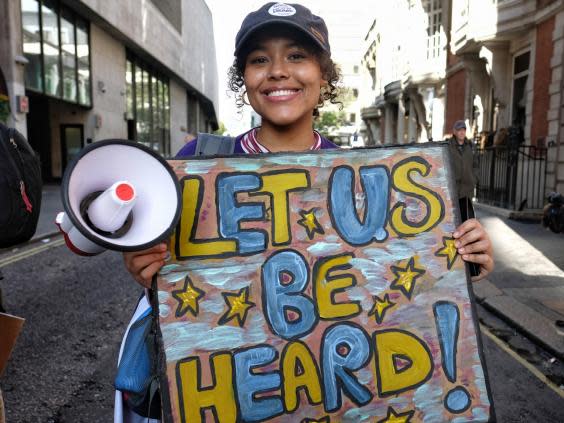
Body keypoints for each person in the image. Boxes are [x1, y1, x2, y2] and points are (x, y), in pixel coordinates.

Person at [117, 3, 494, 421]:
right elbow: (173, 281)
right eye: (259, 59)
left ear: (324, 75)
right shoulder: (197, 163)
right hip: (236, 394)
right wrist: (146, 269)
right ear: (244, 79)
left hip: (328, 390)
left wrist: (464, 258)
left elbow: (396, 285)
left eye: (297, 56)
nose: (278, 71)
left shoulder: (366, 177)